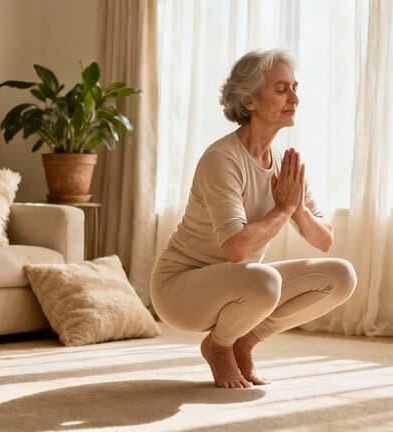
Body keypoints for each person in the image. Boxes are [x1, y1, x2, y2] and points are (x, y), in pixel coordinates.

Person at [150, 49, 357, 389]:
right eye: (281, 89)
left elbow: (324, 240)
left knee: (341, 276)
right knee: (264, 281)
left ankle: (244, 340)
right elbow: (236, 249)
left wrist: (297, 208)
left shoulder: (282, 163)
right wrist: (284, 210)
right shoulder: (222, 159)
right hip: (180, 290)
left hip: (240, 283)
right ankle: (218, 347)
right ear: (249, 100)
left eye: (295, 87)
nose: (294, 97)